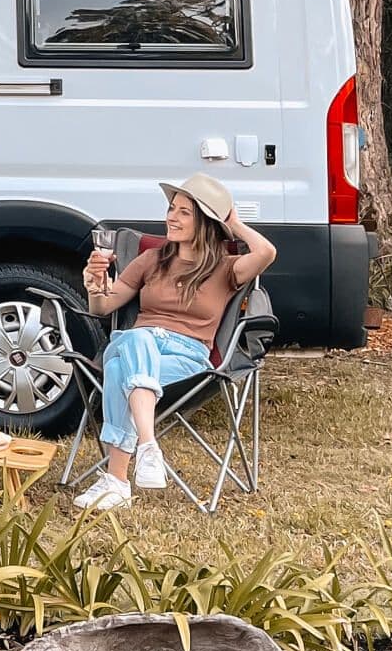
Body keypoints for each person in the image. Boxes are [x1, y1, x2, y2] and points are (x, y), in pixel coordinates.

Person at [71, 172, 276, 512]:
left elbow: (266, 252)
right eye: (171, 209)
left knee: (120, 365)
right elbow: (104, 306)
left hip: (187, 358)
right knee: (133, 341)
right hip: (140, 345)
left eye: (184, 212)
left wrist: (233, 221)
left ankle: (117, 482)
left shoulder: (227, 268)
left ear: (207, 221)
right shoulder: (151, 260)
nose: (171, 217)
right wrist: (94, 284)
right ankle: (147, 446)